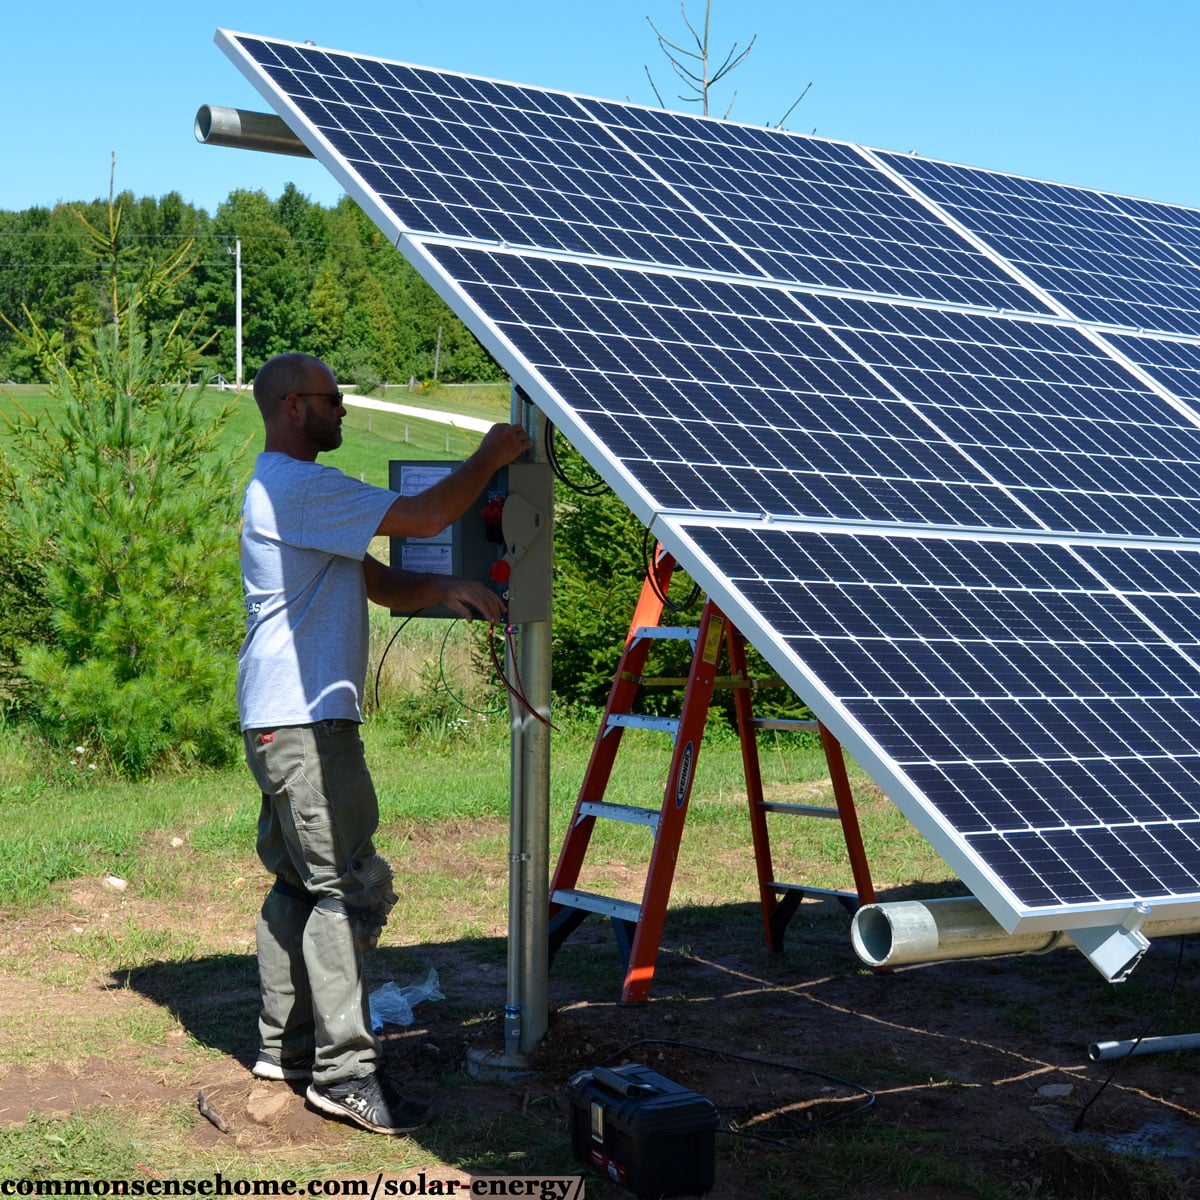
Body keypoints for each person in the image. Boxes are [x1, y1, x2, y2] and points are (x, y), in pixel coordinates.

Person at [237, 353, 531, 1135]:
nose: (344, 414)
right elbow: (430, 518)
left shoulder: (290, 493)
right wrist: (493, 456)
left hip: (281, 719)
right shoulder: (297, 484)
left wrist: (443, 589)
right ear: (296, 406)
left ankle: (285, 1052)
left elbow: (374, 580)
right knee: (348, 889)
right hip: (305, 723)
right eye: (334, 401)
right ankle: (343, 1074)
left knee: (301, 884)